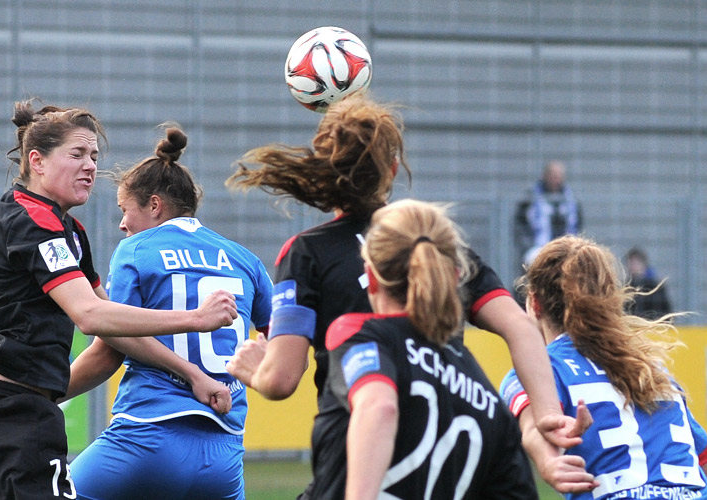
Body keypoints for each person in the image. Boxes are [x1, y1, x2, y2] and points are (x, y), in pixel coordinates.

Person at [225, 93, 582, 484]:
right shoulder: (434, 242)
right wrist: (547, 413)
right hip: (448, 444)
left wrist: (255, 368)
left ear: (325, 167)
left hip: (356, 448)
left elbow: (281, 379)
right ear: (393, 170)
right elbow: (521, 326)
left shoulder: (307, 252)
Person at [0, 101, 238, 500]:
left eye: (93, 155)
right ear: (36, 161)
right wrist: (195, 317)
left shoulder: (65, 228)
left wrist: (192, 374)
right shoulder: (33, 218)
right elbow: (89, 315)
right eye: (77, 154)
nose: (91, 166)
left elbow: (113, 328)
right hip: (12, 420)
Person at [67, 126, 273, 500]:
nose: (122, 223)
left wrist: (41, 394)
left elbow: (110, 347)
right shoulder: (247, 261)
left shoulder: (137, 250)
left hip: (145, 437)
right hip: (223, 456)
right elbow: (281, 349)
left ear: (154, 205)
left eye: (124, 209)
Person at [316, 198, 541, 499]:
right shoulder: (490, 402)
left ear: (371, 277)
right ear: (455, 276)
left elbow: (379, 407)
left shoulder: (363, 336)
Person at [501, 235, 707, 499]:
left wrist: (547, 461)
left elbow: (533, 427)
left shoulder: (537, 368)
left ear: (534, 303)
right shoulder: (651, 370)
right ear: (610, 299)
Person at [515, 160, 582, 268]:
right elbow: (521, 225)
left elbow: (577, 225)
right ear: (545, 176)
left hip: (567, 246)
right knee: (534, 260)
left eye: (559, 176)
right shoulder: (531, 198)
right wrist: (527, 246)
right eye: (553, 175)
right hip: (538, 246)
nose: (556, 179)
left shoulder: (571, 200)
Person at [624, 246, 672, 319]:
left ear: (644, 264)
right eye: (631, 263)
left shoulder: (656, 287)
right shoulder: (625, 288)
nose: (633, 266)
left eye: (636, 262)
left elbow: (665, 311)